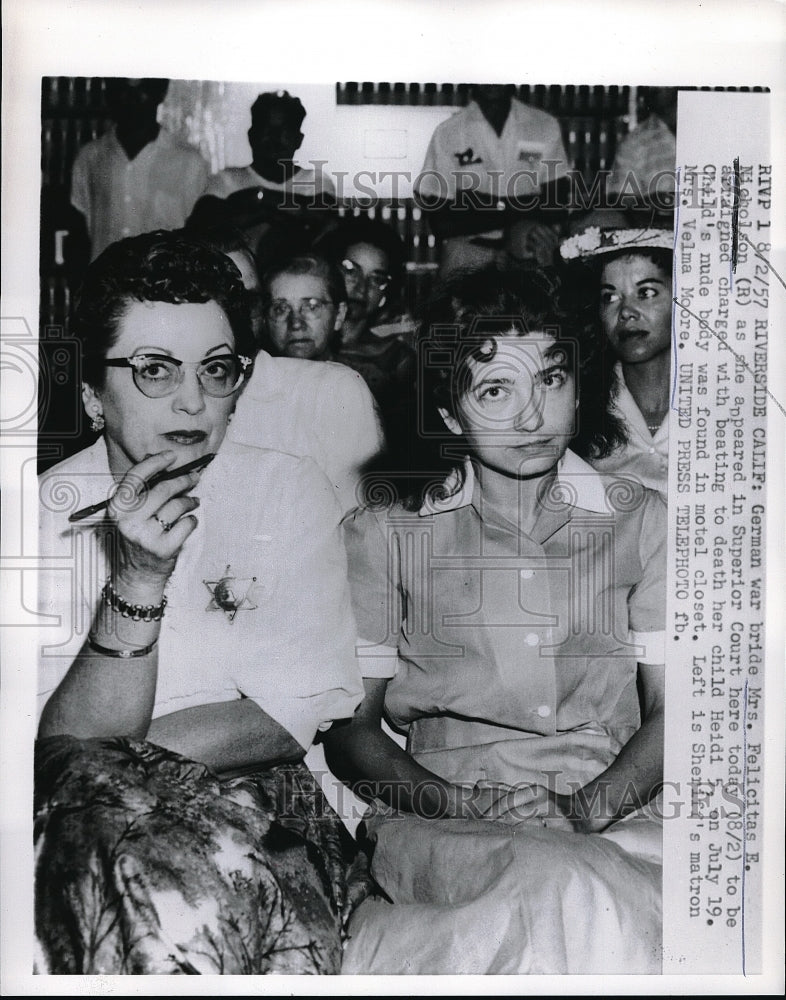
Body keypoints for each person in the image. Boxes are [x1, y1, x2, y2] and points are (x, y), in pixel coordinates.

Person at [34, 231, 365, 974]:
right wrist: (139, 580)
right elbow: (50, 760)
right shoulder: (33, 516)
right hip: (73, 829)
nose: (193, 400)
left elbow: (287, 713)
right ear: (91, 391)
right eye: (154, 371)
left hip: (261, 813)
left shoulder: (285, 490)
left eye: (216, 370)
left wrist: (108, 770)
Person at [324, 266, 666, 974]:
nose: (531, 416)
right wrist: (458, 801)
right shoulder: (387, 532)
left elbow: (680, 713)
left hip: (615, 808)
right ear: (450, 416)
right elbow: (351, 734)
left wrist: (583, 809)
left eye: (550, 379)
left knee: (607, 905)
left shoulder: (646, 523)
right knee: (560, 894)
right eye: (494, 391)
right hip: (444, 814)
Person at [193, 226, 385, 516]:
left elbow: (361, 531)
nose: (237, 313)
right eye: (217, 298)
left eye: (248, 299)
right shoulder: (160, 401)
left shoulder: (334, 391)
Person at [559, 223, 673, 496]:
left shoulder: (727, 398)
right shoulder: (578, 404)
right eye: (610, 297)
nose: (625, 312)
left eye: (645, 292)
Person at [415, 84, 571, 275]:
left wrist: (476, 202)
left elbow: (557, 205)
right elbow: (441, 222)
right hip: (469, 251)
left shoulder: (544, 125)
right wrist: (526, 205)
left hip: (529, 250)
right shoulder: (448, 132)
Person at [70, 79, 209, 260]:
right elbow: (79, 232)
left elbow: (198, 237)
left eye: (142, 88)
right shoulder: (90, 157)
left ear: (160, 92)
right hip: (106, 284)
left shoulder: (190, 161)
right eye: (124, 88)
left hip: (163, 283)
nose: (131, 98)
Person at [188, 90, 335, 257]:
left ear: (298, 139)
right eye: (266, 128)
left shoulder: (316, 180)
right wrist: (281, 211)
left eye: (284, 130)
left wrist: (258, 199)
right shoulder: (226, 179)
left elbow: (323, 218)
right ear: (252, 135)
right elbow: (199, 226)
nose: (274, 137)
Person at [314, 217, 416, 425]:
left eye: (376, 278)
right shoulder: (303, 341)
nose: (361, 287)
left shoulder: (397, 360)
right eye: (351, 270)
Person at [261, 253, 347, 362]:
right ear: (264, 320)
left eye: (311, 307)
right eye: (280, 309)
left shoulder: (361, 377)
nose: (296, 324)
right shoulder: (252, 378)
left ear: (339, 314)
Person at [608, 87, 678, 217]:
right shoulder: (634, 142)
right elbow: (620, 199)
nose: (653, 87)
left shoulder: (709, 131)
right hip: (656, 230)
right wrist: (649, 202)